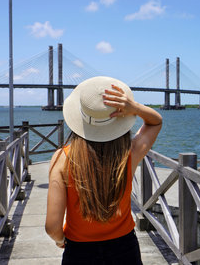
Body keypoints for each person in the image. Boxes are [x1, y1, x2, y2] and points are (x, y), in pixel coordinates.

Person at [45, 76, 162, 264]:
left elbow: (52, 226)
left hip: (79, 251)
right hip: (124, 249)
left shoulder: (62, 159)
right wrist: (135, 108)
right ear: (121, 119)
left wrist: (60, 240)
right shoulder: (129, 153)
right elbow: (155, 122)